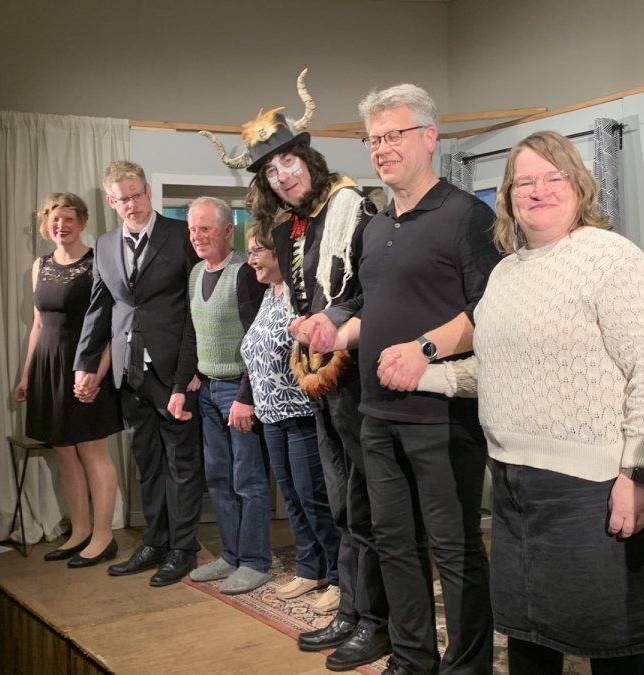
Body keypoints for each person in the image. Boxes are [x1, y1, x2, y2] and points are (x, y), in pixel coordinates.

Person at [461, 130, 644, 675]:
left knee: (610, 641)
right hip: (515, 484)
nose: (538, 191)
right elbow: (494, 369)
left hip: (595, 485)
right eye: (524, 182)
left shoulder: (613, 259)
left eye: (553, 177)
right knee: (528, 631)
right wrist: (423, 375)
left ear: (579, 185)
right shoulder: (506, 273)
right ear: (507, 196)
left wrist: (639, 475)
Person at [304, 83, 500, 675]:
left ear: (429, 137)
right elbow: (374, 309)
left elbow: (489, 311)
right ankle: (412, 660)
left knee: (455, 549)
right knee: (393, 543)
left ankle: (466, 668)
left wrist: (424, 351)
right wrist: (334, 335)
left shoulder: (467, 216)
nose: (382, 148)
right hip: (376, 414)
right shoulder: (376, 224)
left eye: (394, 135)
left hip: (442, 417)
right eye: (373, 139)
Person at [201, 71, 391, 672]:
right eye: (270, 170)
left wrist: (331, 326)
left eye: (288, 161)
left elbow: (367, 293)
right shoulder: (290, 227)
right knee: (341, 503)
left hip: (359, 376)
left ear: (306, 157)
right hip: (322, 384)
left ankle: (376, 621)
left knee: (366, 504)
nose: (282, 174)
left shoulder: (351, 206)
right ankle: (353, 610)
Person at [74, 160, 203, 588]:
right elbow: (99, 308)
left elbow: (197, 308)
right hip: (128, 373)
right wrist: (85, 364)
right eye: (122, 199)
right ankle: (155, 542)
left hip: (174, 371)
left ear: (147, 192)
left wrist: (190, 372)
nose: (132, 204)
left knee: (181, 464)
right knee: (148, 464)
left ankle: (183, 549)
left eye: (137, 195)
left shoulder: (181, 235)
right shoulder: (105, 245)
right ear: (111, 202)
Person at [14, 192, 123, 568]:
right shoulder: (39, 265)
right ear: (46, 224)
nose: (61, 225)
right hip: (48, 366)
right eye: (54, 219)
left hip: (86, 366)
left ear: (82, 222)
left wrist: (98, 372)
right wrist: (27, 374)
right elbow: (38, 324)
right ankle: (79, 531)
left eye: (68, 218)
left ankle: (104, 536)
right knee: (64, 452)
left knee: (93, 451)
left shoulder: (99, 262)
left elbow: (115, 325)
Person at [239, 223, 340, 605]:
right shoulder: (269, 294)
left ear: (281, 252)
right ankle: (310, 569)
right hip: (271, 414)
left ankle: (339, 577)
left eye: (257, 251)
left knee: (313, 498)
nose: (251, 260)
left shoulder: (302, 296)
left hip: (300, 412)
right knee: (292, 499)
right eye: (249, 251)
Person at [182, 196, 273, 595]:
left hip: (238, 390)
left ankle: (255, 561)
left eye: (204, 228)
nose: (197, 236)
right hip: (207, 389)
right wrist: (187, 379)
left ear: (225, 230)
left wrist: (246, 396)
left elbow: (255, 338)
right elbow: (192, 333)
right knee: (219, 478)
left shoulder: (244, 273)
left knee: (248, 479)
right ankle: (231, 555)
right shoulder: (196, 273)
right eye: (192, 229)